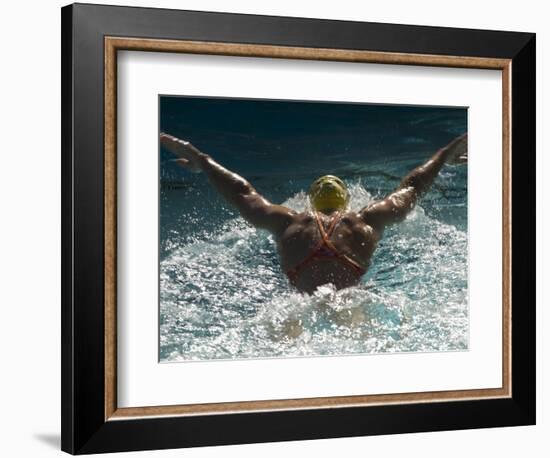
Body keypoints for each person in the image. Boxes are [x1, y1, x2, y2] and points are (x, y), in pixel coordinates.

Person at [160, 132, 467, 294]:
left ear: (309, 202)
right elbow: (412, 188)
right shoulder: (365, 221)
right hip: (350, 300)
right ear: (346, 201)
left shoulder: (289, 222)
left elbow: (243, 193)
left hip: (296, 304)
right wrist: (445, 154)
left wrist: (204, 161)